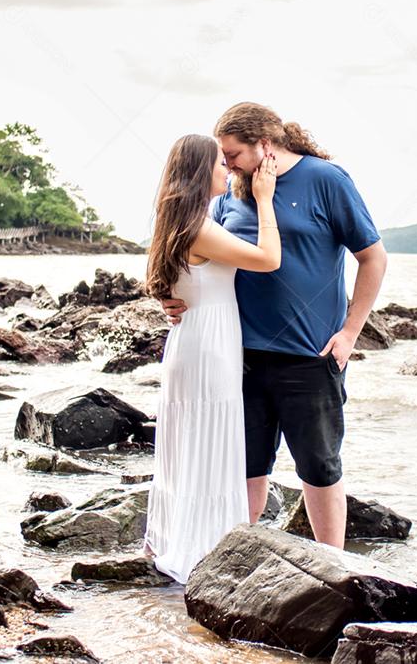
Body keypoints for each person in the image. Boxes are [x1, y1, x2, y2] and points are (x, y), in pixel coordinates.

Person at [161, 103, 387, 549]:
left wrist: (349, 333)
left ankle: (331, 567)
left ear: (264, 145)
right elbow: (196, 253)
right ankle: (228, 562)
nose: (227, 165)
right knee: (245, 467)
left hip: (309, 355)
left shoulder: (326, 179)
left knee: (319, 467)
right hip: (239, 356)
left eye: (233, 155)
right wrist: (173, 297)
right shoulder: (231, 194)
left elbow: (373, 257)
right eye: (223, 158)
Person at [142, 134, 280, 583]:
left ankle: (176, 535)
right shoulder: (200, 229)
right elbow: (268, 259)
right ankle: (203, 546)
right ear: (201, 172)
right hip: (208, 345)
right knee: (208, 438)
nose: (228, 170)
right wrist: (264, 199)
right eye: (221, 163)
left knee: (190, 441)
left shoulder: (176, 223)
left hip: (191, 340)